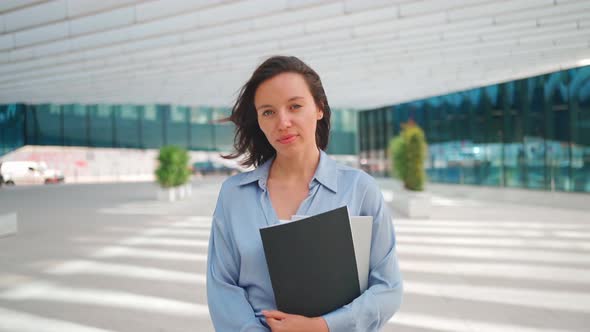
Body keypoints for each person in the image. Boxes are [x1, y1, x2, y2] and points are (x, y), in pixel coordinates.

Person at [206, 55, 403, 331]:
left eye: (295, 106)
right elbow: (222, 288)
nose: (282, 122)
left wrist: (322, 326)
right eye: (268, 112)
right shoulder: (233, 196)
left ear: (319, 108)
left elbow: (388, 288)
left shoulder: (360, 189)